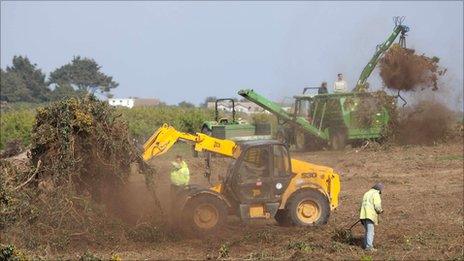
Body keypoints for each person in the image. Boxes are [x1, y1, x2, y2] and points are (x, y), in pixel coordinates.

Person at [359, 183, 384, 251]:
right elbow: (377, 205)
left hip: (363, 215)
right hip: (370, 215)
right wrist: (380, 210)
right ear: (379, 190)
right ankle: (369, 247)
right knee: (370, 231)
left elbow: (361, 204)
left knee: (367, 231)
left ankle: (365, 245)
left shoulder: (366, 193)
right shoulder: (375, 194)